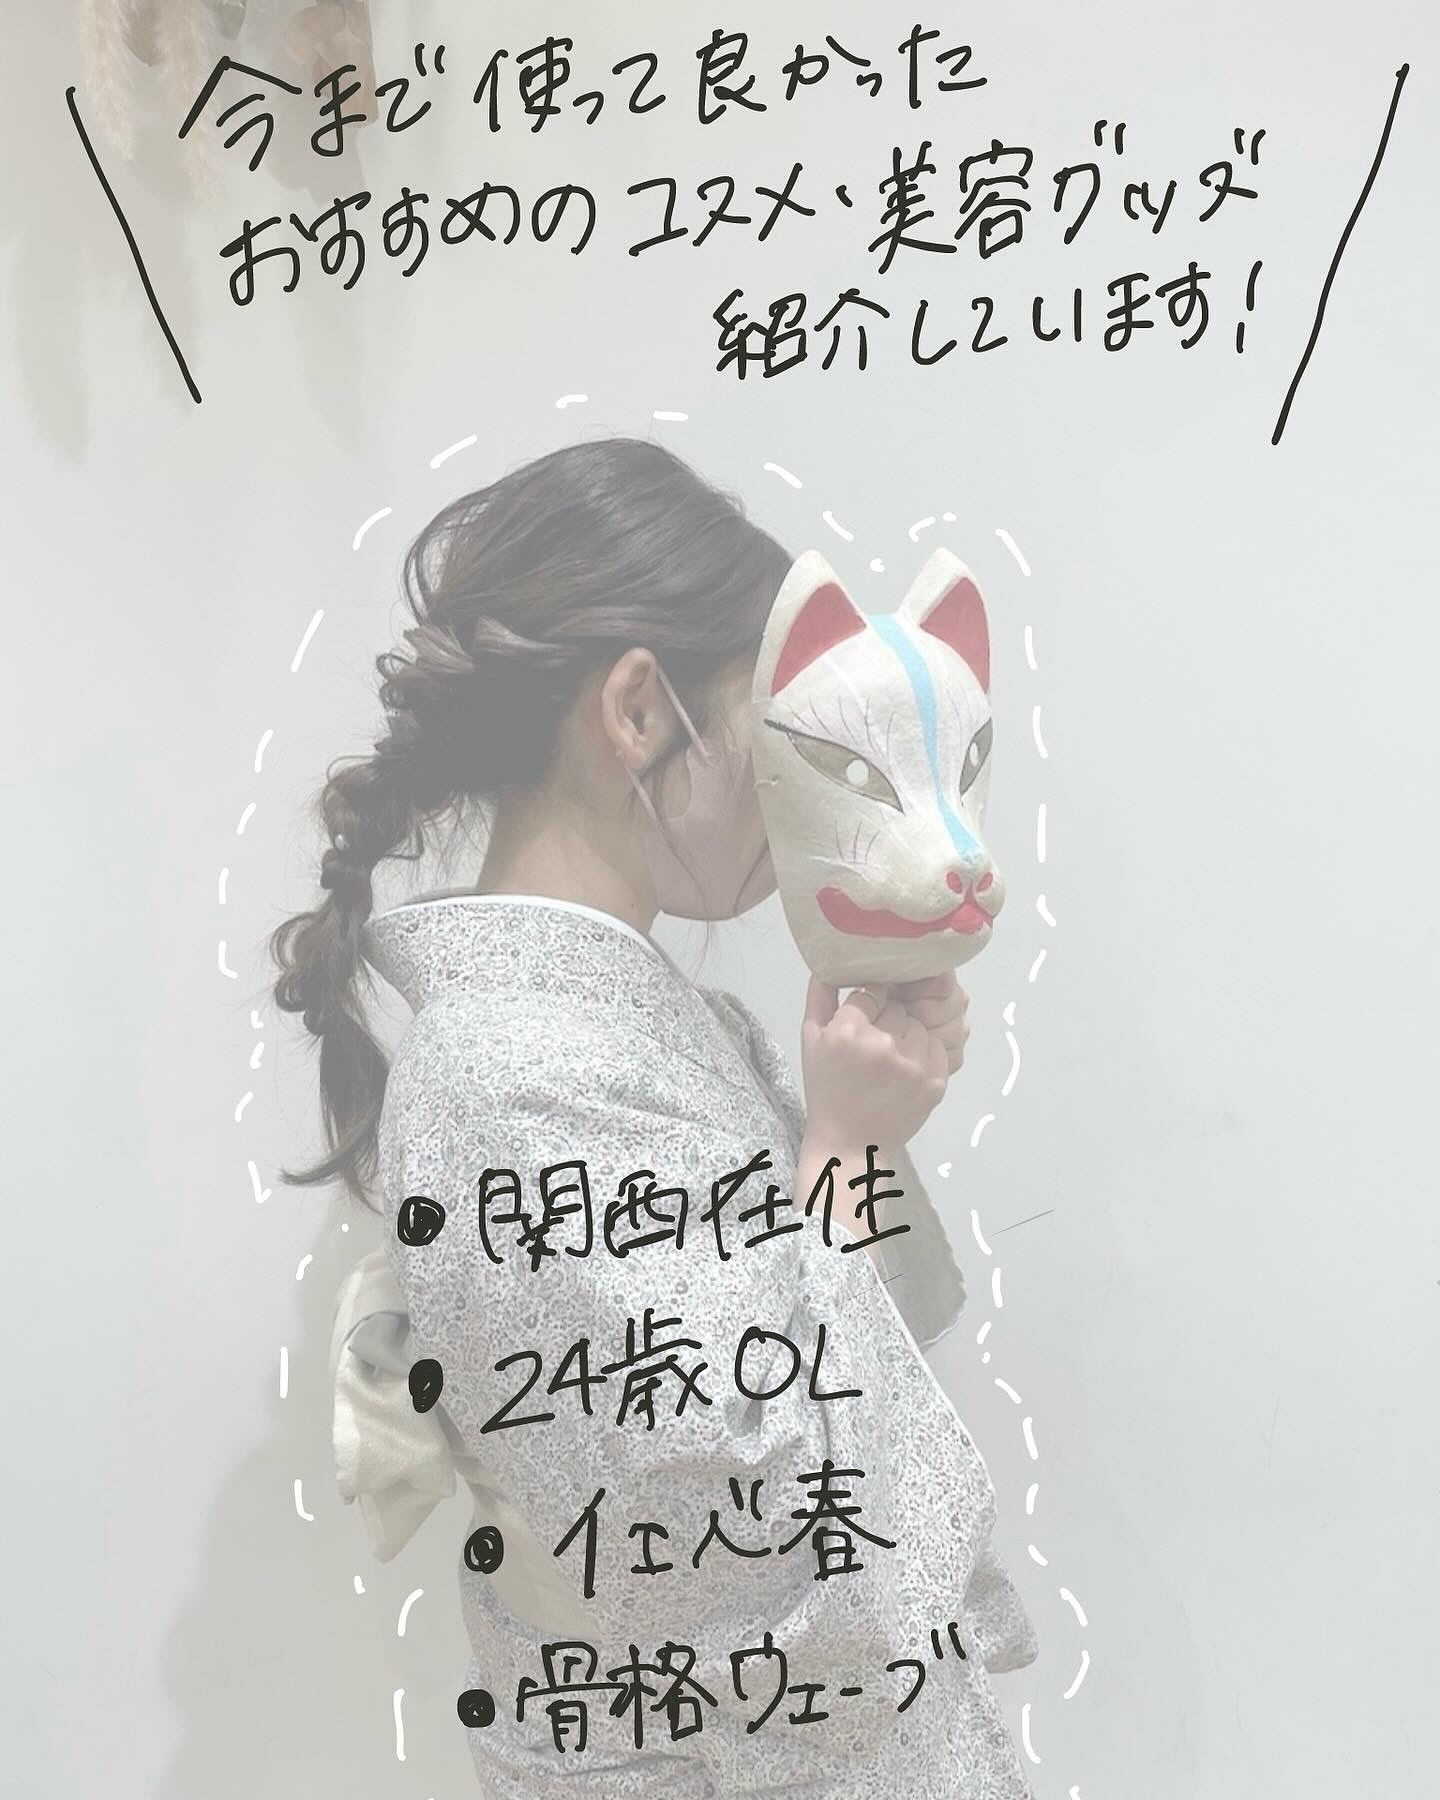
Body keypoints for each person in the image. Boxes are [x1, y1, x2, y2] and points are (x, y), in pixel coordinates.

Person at [272, 437, 1036, 1798]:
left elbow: (846, 1343)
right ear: (637, 711)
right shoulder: (512, 1079)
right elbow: (752, 1540)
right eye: (776, 735)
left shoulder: (641, 1029)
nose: (795, 798)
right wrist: (846, 1149)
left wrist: (862, 1130)